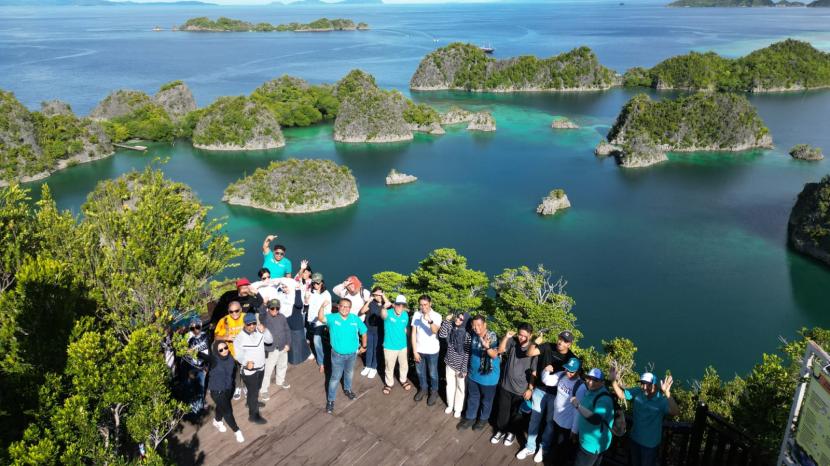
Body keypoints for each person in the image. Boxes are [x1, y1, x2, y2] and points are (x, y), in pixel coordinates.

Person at [521, 330, 578, 460]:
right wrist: (534, 342)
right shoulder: (547, 346)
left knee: (550, 423)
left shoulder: (571, 359)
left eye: (565, 341)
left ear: (569, 344)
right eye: (560, 338)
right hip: (540, 390)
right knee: (534, 420)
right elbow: (529, 353)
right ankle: (530, 447)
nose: (560, 342)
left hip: (557, 396)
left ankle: (543, 447)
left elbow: (574, 379)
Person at [609, 369, 679, 466]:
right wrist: (613, 381)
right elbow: (621, 395)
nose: (644, 387)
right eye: (642, 383)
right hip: (635, 439)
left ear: (654, 385)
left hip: (650, 445)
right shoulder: (638, 392)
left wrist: (667, 393)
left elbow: (675, 412)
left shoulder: (661, 400)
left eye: (648, 384)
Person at [526, 357, 586, 464]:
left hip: (567, 425)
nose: (568, 373)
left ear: (579, 372)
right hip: (556, 419)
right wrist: (546, 371)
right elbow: (547, 380)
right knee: (556, 446)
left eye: (572, 371)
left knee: (562, 449)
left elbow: (578, 411)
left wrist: (574, 430)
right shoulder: (562, 375)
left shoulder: (580, 387)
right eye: (567, 369)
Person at [318, 298, 367, 414]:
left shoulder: (355, 319)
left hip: (352, 354)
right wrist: (322, 307)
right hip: (337, 355)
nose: (345, 309)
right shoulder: (332, 318)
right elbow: (320, 318)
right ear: (338, 307)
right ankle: (330, 400)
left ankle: (347, 389)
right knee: (335, 378)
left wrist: (364, 346)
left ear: (350, 308)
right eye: (342, 306)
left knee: (349, 373)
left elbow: (364, 331)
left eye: (347, 307)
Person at [492, 323, 537, 447]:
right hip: (506, 385)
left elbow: (534, 372)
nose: (522, 338)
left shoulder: (533, 351)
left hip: (521, 389)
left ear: (530, 335)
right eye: (520, 335)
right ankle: (500, 430)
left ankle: (511, 433)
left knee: (516, 414)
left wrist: (530, 389)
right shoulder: (513, 342)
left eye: (525, 336)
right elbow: (500, 350)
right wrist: (506, 337)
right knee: (503, 410)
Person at [457, 315, 500, 431]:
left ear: (485, 325)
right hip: (473, 375)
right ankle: (470, 417)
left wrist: (487, 348)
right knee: (472, 397)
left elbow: (495, 355)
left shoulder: (492, 336)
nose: (476, 328)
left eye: (479, 325)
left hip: (488, 377)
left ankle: (483, 419)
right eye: (474, 325)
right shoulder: (474, 335)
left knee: (486, 401)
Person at [234, 312, 273, 424]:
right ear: (244, 324)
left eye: (253, 323)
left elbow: (270, 341)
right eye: (249, 324)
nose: (251, 326)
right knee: (253, 392)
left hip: (261, 367)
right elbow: (238, 355)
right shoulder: (239, 338)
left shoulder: (259, 331)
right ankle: (253, 415)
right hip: (249, 371)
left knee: (257, 388)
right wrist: (246, 363)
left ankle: (250, 402)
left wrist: (265, 330)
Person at [571, 368, 614, 466]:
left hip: (592, 444)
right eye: (589, 378)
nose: (591, 382)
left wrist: (577, 405)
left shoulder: (604, 399)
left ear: (602, 383)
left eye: (595, 380)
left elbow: (596, 419)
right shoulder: (592, 390)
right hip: (587, 440)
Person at [208, 341, 244, 443]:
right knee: (228, 412)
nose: (224, 351)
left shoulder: (230, 357)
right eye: (220, 350)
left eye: (225, 347)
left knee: (222, 406)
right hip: (217, 391)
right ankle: (236, 431)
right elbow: (204, 357)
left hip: (229, 388)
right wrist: (194, 352)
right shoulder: (215, 360)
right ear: (216, 351)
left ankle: (217, 421)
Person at [438, 311, 471, 418]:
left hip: (460, 366)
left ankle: (458, 409)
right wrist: (447, 321)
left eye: (461, 319)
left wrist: (464, 368)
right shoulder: (451, 327)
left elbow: (466, 353)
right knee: (450, 385)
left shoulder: (467, 335)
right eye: (457, 317)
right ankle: (450, 405)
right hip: (449, 362)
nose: (458, 320)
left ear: (465, 321)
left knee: (460, 388)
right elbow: (442, 334)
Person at [411, 294, 441, 405]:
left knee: (433, 373)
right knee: (419, 372)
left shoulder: (437, 316)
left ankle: (434, 391)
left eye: (425, 305)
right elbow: (413, 333)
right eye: (421, 305)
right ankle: (423, 388)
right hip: (419, 350)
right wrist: (414, 351)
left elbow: (434, 331)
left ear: (430, 304)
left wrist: (429, 321)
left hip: (432, 351)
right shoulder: (416, 314)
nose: (423, 307)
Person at [213, 301, 246, 400]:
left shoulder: (246, 317)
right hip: (231, 352)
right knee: (234, 371)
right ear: (228, 311)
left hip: (244, 350)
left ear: (241, 309)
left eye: (237, 311)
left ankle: (245, 386)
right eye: (231, 312)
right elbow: (216, 337)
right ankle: (238, 387)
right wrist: (226, 337)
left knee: (245, 369)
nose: (234, 313)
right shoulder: (224, 321)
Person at [259, 299, 291, 401]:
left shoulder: (282, 317)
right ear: (268, 308)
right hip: (271, 349)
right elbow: (261, 313)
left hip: (283, 347)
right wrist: (263, 304)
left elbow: (287, 330)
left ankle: (280, 381)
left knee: (282, 365)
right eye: (272, 308)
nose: (275, 310)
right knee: (268, 370)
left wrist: (288, 344)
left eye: (277, 308)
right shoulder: (265, 318)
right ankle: (264, 390)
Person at [380, 294, 412, 394]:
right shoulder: (388, 313)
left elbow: (405, 329)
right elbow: (383, 315)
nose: (400, 307)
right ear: (394, 304)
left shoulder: (405, 315)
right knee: (389, 366)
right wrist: (384, 307)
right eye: (398, 305)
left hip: (402, 346)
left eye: (403, 305)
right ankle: (389, 383)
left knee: (404, 365)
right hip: (389, 346)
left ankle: (403, 380)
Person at [359, 287, 390, 379]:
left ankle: (374, 367)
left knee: (376, 349)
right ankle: (368, 366)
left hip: (379, 331)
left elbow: (389, 304)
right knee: (369, 348)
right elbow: (362, 311)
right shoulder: (371, 303)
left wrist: (383, 295)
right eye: (375, 294)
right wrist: (369, 301)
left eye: (379, 294)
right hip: (369, 329)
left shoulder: (385, 304)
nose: (378, 296)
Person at [182, 317, 209, 414]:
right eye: (192, 328)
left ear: (200, 326)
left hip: (203, 364)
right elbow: (183, 351)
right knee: (192, 385)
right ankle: (195, 404)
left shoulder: (205, 335)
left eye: (197, 327)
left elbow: (208, 349)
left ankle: (200, 404)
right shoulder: (188, 338)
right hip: (193, 365)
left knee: (201, 385)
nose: (195, 330)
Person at [306, 273, 331, 373]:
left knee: (316, 341)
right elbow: (307, 304)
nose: (316, 284)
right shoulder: (311, 292)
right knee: (312, 339)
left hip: (320, 322)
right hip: (311, 320)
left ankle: (321, 363)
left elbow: (328, 311)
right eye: (314, 283)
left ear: (322, 282)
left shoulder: (326, 294)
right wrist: (306, 299)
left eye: (317, 282)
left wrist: (326, 322)